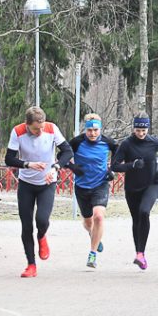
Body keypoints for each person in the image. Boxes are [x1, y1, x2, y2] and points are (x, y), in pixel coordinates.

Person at [5, 106, 73, 278]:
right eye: (36, 129)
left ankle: (42, 236)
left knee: (42, 220)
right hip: (26, 184)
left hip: (47, 182)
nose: (40, 131)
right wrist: (28, 164)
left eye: (41, 127)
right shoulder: (18, 132)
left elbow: (67, 151)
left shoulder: (51, 128)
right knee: (26, 225)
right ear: (27, 125)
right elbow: (9, 158)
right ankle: (31, 264)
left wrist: (56, 167)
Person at [111, 113, 158, 270]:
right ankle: (139, 254)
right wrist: (131, 165)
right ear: (133, 128)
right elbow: (114, 166)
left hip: (151, 184)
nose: (141, 133)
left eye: (144, 130)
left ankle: (141, 252)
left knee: (144, 212)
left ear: (148, 128)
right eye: (138, 130)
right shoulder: (127, 144)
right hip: (132, 188)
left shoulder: (154, 142)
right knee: (136, 219)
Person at [68, 113, 118, 269]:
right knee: (88, 222)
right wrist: (72, 167)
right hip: (82, 186)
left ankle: (92, 253)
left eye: (96, 130)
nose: (93, 133)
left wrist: (112, 169)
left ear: (100, 129)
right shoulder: (76, 142)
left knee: (99, 217)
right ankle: (93, 234)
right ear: (85, 129)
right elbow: (63, 155)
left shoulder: (107, 142)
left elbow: (119, 151)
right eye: (90, 130)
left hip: (100, 184)